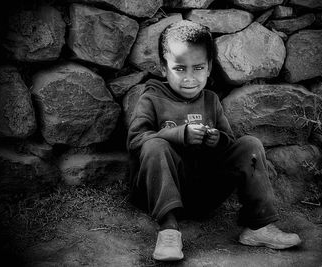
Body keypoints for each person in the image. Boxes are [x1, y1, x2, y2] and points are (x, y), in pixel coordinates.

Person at [126, 20, 301, 261]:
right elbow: (136, 140)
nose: (189, 77)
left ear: (209, 68)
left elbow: (229, 144)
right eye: (179, 68)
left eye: (198, 68)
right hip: (161, 193)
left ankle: (258, 227)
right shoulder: (153, 98)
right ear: (164, 68)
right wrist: (180, 133)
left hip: (203, 194)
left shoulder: (211, 100)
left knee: (249, 145)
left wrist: (217, 140)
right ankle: (168, 231)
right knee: (155, 144)